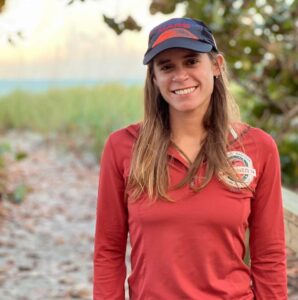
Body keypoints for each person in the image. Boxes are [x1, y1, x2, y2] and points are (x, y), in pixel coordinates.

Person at [93, 17, 287, 299]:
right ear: (154, 77)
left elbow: (269, 254)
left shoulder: (257, 147)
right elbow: (108, 250)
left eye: (191, 61)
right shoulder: (123, 147)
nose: (180, 75)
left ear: (217, 65)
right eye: (166, 66)